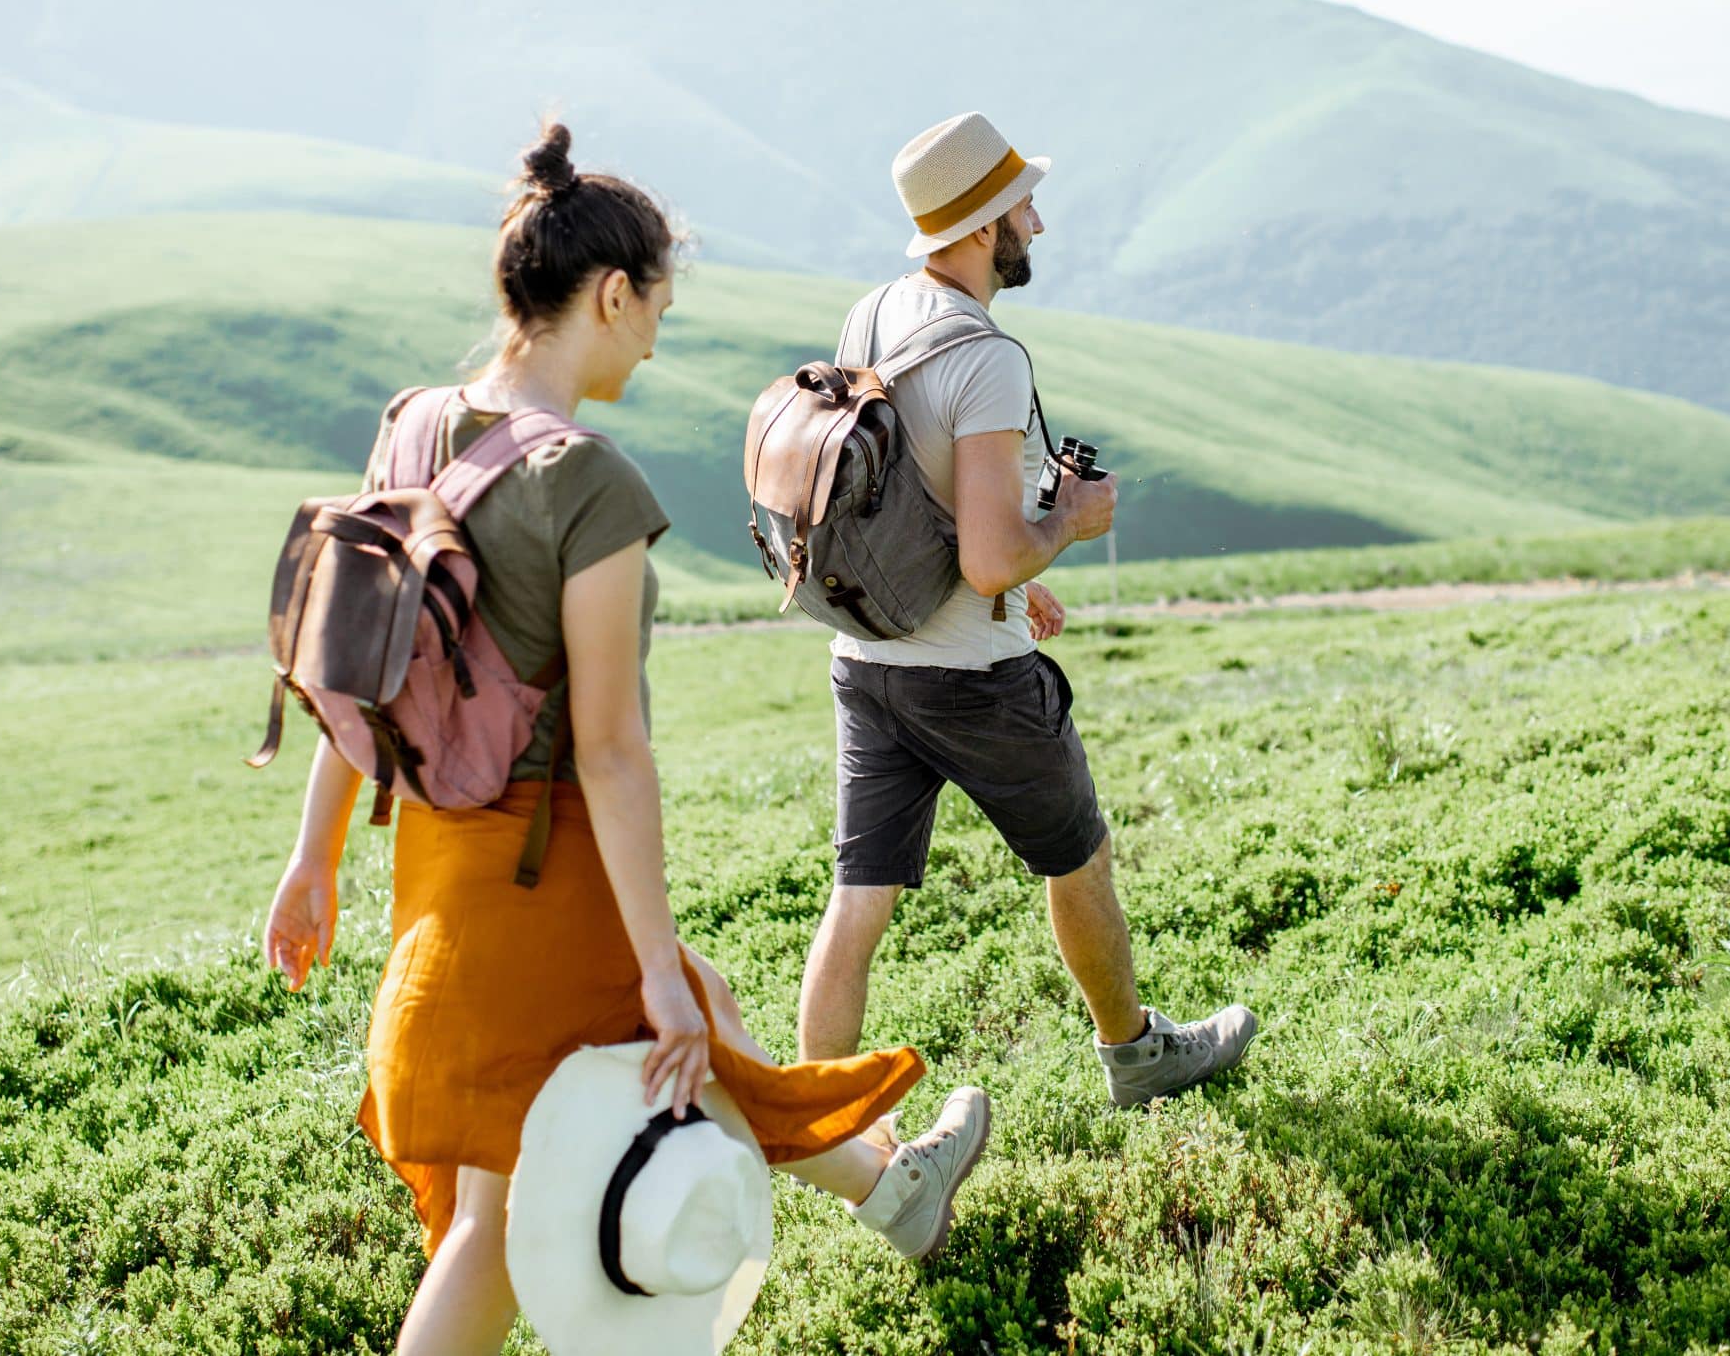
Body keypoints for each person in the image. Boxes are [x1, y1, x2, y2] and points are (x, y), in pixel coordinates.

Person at [263, 123, 989, 1356]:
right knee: (513, 1191)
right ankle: (890, 1188)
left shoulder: (413, 423)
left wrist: (314, 855)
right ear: (608, 294)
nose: (656, 334)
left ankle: (891, 1191)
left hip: (433, 865)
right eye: (655, 304)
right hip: (543, 869)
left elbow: (361, 667)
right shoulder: (589, 485)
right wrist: (649, 959)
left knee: (684, 1021)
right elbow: (609, 753)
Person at [795, 112, 1258, 1109]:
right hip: (977, 682)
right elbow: (993, 540)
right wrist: (1066, 527)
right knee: (1079, 855)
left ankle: (815, 1117)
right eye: (1019, 208)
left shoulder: (871, 312)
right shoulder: (987, 358)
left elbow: (900, 489)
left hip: (868, 664)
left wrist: (1008, 572)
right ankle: (1136, 1055)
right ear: (976, 228)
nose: (1036, 224)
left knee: (859, 897)